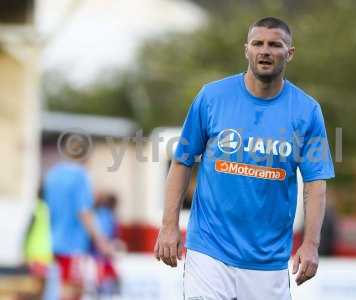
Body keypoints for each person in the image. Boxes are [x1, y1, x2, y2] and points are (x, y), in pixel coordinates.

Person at [154, 17, 335, 300]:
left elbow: (315, 183)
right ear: (246, 50)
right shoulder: (212, 97)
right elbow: (182, 162)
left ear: (290, 53)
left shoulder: (306, 111)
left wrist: (311, 243)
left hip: (268, 260)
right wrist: (168, 226)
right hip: (209, 250)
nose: (265, 50)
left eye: (275, 45)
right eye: (258, 43)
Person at [44, 137, 113, 300]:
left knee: (60, 287)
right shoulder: (80, 176)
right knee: (70, 290)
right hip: (72, 244)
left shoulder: (53, 174)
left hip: (53, 241)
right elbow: (84, 212)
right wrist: (102, 242)